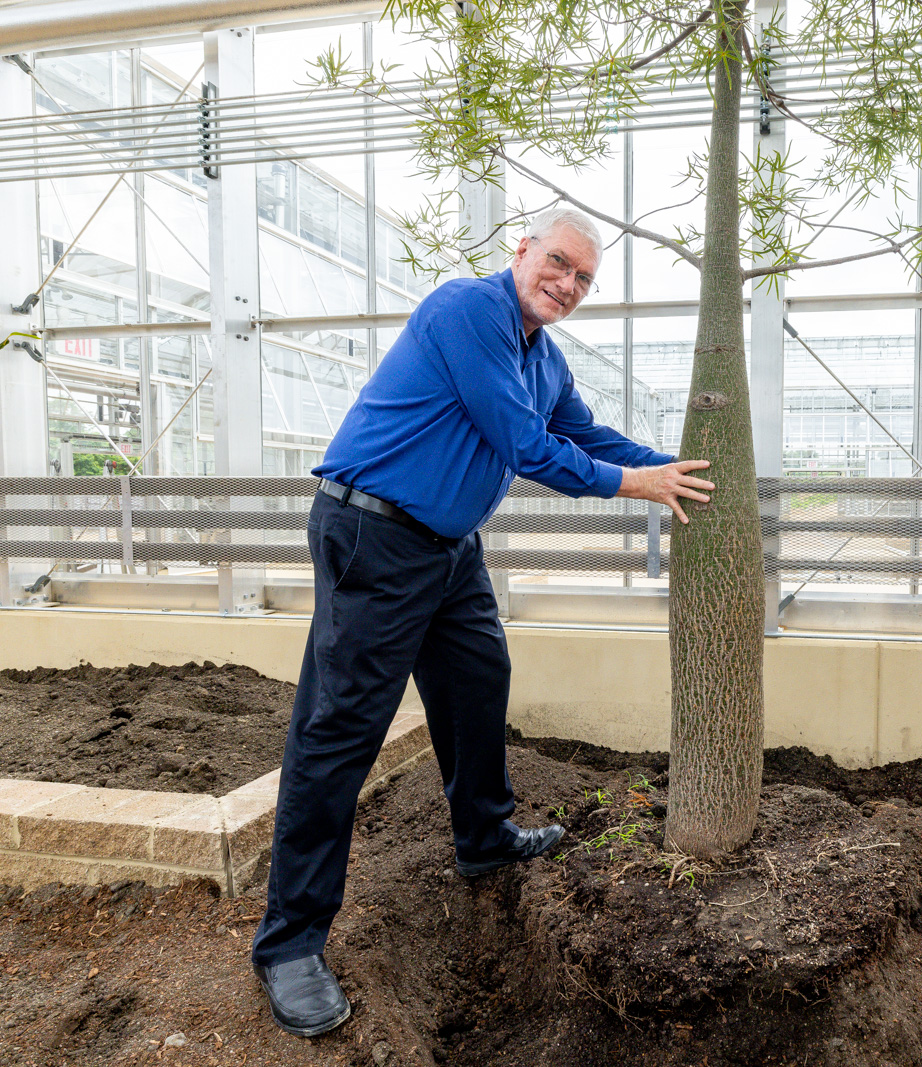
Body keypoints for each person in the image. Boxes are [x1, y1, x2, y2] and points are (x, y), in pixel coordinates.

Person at [250, 207, 715, 1037]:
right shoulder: (469, 311)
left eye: (583, 279)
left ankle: (485, 837)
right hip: (374, 535)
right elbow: (527, 447)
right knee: (341, 730)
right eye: (559, 263)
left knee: (477, 682)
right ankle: (290, 944)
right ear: (522, 250)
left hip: (448, 546)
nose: (567, 284)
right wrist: (635, 490)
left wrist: (666, 468)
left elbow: (581, 431)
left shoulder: (544, 357)